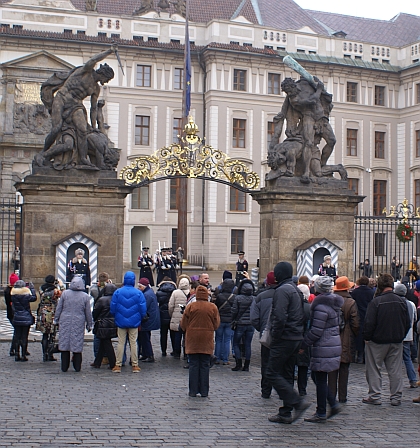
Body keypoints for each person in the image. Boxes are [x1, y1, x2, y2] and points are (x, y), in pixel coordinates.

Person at [36, 46, 116, 168]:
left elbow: (93, 109)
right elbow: (94, 59)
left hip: (76, 105)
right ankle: (43, 153)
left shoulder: (96, 88)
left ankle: (83, 158)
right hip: (62, 98)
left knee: (83, 130)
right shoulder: (86, 71)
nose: (106, 82)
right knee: (56, 128)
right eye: (107, 79)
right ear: (103, 74)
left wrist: (94, 127)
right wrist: (109, 51)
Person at [266, 261, 310, 425]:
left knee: (271, 373)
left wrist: (276, 336)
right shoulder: (295, 289)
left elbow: (280, 316)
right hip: (295, 337)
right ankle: (285, 412)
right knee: (287, 374)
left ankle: (296, 402)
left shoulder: (283, 290)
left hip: (285, 338)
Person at [362, 273, 411, 406]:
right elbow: (408, 322)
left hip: (377, 340)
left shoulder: (376, 302)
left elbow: (369, 322)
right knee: (395, 370)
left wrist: (367, 337)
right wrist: (401, 335)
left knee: (373, 368)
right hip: (396, 340)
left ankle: (375, 395)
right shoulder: (401, 301)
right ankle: (396, 397)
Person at [300, 276, 343, 423]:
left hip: (323, 345)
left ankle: (322, 411)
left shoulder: (320, 306)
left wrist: (304, 344)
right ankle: (332, 404)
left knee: (319, 377)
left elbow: (316, 330)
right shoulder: (333, 303)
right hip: (332, 342)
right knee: (318, 377)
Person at [180, 285, 220, 398]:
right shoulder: (212, 307)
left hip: (192, 339)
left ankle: (193, 390)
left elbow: (183, 324)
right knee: (204, 365)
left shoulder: (191, 307)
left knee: (193, 365)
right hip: (206, 340)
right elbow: (216, 324)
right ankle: (204, 391)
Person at [328, 276, 360, 403]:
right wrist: (353, 334)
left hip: (331, 338)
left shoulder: (330, 301)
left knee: (331, 370)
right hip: (346, 338)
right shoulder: (350, 302)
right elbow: (356, 323)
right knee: (344, 368)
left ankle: (331, 395)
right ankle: (342, 396)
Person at [110, 271, 147, 373]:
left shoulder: (118, 292)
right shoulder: (138, 293)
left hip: (121, 320)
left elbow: (113, 307)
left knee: (121, 342)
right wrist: (140, 317)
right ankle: (135, 365)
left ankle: (118, 364)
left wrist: (116, 316)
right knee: (133, 342)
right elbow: (143, 308)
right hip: (134, 321)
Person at [54, 276, 93, 372]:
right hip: (78, 320)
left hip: (65, 319)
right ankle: (77, 366)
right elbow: (88, 312)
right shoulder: (85, 296)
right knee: (77, 343)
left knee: (64, 343)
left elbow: (59, 308)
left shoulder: (65, 294)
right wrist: (89, 324)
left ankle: (64, 366)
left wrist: (56, 319)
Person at [250, 271, 277, 398]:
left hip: (265, 334)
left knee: (266, 363)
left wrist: (261, 329)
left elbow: (254, 318)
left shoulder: (261, 296)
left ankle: (266, 390)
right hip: (281, 334)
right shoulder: (285, 294)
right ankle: (282, 391)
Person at [393, 284, 418, 388]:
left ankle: (397, 382)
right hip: (408, 335)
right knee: (407, 357)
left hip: (396, 334)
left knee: (395, 359)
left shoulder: (395, 303)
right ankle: (412, 379)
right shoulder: (411, 304)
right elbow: (415, 319)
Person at [36, 275, 64, 362]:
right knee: (52, 334)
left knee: (45, 335)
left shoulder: (41, 288)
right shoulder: (55, 291)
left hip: (43, 312)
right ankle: (50, 354)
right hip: (52, 313)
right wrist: (61, 285)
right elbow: (63, 294)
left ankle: (44, 354)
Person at [231, 278, 255, 372]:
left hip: (240, 323)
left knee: (236, 343)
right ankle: (246, 366)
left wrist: (233, 320)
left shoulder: (238, 298)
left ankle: (238, 364)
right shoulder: (254, 298)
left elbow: (234, 311)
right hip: (250, 324)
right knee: (248, 344)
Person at [91, 283, 117, 370]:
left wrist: (95, 319)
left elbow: (96, 312)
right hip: (112, 323)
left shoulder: (102, 300)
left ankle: (113, 362)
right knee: (103, 342)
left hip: (102, 323)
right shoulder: (116, 299)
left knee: (106, 343)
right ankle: (97, 362)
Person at [11, 280, 37, 362]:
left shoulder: (13, 296)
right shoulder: (26, 296)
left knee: (17, 336)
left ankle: (16, 354)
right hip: (26, 317)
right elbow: (34, 298)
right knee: (24, 337)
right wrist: (32, 288)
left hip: (17, 317)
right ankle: (23, 355)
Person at [350, 276, 374, 363]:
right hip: (367, 315)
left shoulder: (355, 292)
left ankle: (359, 355)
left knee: (358, 335)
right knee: (366, 334)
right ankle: (365, 355)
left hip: (358, 314)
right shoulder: (371, 292)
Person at [138, 277, 160, 363]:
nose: (139, 288)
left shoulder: (146, 295)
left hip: (148, 319)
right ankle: (145, 354)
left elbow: (144, 307)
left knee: (145, 338)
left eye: (140, 287)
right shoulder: (149, 292)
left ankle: (149, 355)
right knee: (145, 337)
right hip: (150, 318)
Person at [214, 277, 235, 365]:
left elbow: (216, 307)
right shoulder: (234, 297)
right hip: (229, 320)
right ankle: (225, 359)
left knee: (218, 339)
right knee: (227, 340)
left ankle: (217, 358)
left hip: (220, 319)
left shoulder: (219, 296)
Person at [168, 276, 190, 359]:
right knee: (186, 336)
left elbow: (171, 305)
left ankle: (176, 352)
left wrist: (172, 314)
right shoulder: (190, 293)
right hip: (186, 317)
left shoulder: (175, 292)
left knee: (177, 335)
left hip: (176, 317)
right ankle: (185, 353)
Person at [296, 283, 311, 397]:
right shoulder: (310, 308)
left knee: (291, 365)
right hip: (305, 340)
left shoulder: (294, 306)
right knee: (303, 366)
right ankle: (302, 389)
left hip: (294, 339)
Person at [156, 276, 177, 356]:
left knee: (163, 334)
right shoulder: (175, 291)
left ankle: (163, 351)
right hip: (172, 315)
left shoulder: (159, 292)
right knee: (173, 334)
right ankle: (174, 350)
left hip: (162, 315)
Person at [4, 273, 19, 356]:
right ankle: (13, 349)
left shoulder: (8, 290)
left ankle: (17, 348)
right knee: (17, 332)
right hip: (13, 313)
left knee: (18, 331)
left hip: (11, 313)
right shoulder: (12, 292)